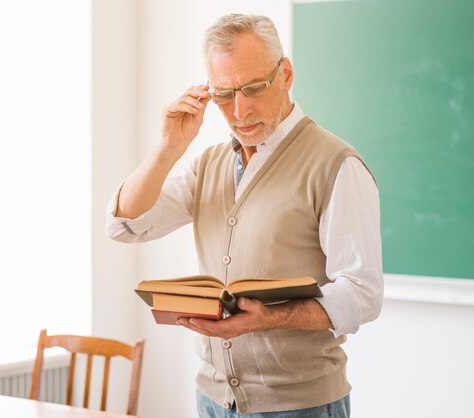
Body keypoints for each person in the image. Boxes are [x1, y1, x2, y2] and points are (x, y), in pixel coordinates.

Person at [106, 13, 383, 418]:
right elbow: (126, 225)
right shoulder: (208, 164)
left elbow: (363, 293)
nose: (240, 110)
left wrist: (269, 318)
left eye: (253, 88)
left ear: (285, 74)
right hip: (214, 399)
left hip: (299, 405)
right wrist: (168, 148)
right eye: (223, 94)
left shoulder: (335, 165)